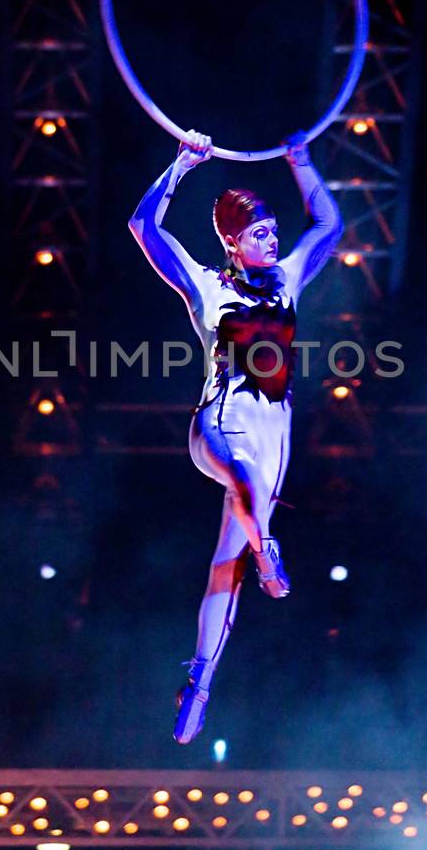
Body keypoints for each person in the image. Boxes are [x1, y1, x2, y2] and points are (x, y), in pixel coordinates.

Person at [128, 129, 342, 744]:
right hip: (219, 428)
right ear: (231, 242)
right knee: (245, 485)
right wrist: (180, 165)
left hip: (275, 441)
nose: (273, 240)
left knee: (228, 566)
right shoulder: (207, 287)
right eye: (259, 234)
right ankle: (269, 547)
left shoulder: (289, 279)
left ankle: (200, 679)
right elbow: (144, 228)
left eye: (274, 229)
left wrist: (301, 163)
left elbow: (328, 222)